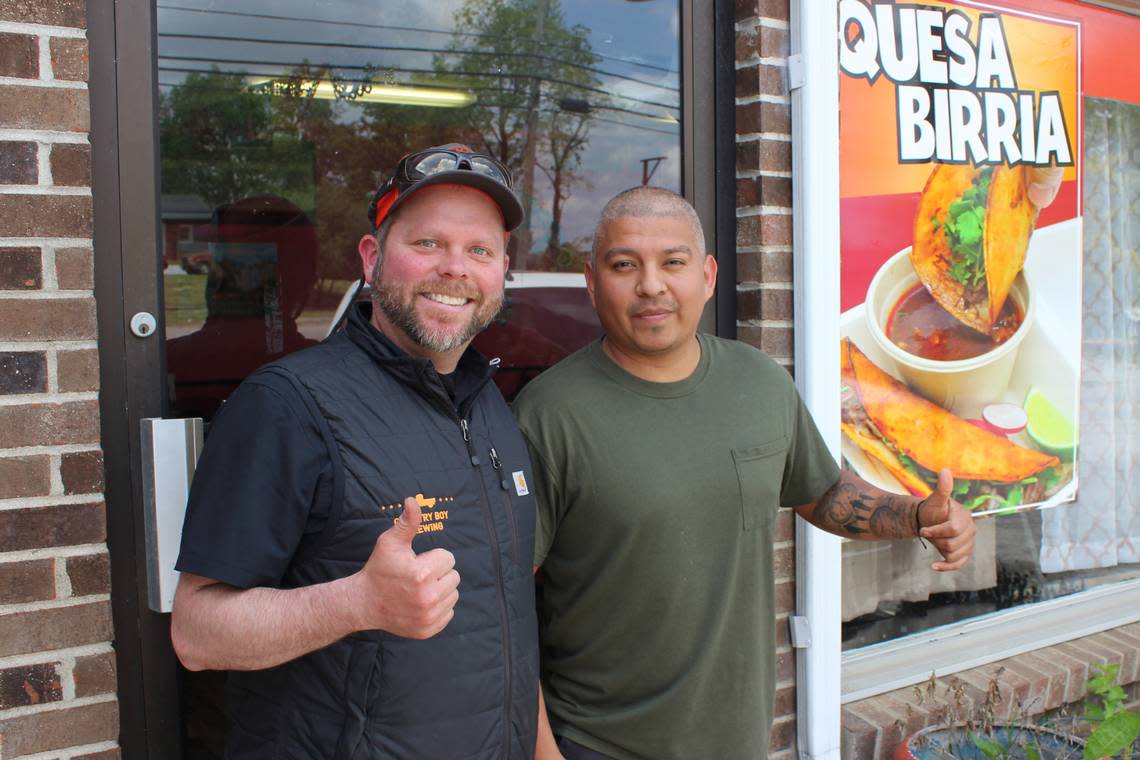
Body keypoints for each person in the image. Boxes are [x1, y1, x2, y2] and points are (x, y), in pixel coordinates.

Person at [515, 187, 977, 760]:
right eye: (624, 265)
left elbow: (822, 492)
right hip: (597, 741)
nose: (652, 285)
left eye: (673, 263)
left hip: (737, 736)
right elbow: (503, 601)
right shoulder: (547, 414)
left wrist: (915, 515)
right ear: (592, 281)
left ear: (707, 276)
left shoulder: (757, 381)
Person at [171, 144, 541, 759]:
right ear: (372, 258)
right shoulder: (287, 405)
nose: (455, 268)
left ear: (502, 269)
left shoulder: (487, 403)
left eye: (479, 250)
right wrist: (356, 602)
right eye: (426, 244)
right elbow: (198, 632)